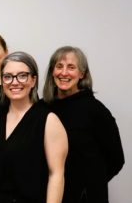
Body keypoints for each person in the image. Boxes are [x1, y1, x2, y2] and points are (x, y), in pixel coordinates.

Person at [0, 51, 68, 203]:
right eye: (8, 76)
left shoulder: (49, 121)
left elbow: (56, 175)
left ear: (33, 80)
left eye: (22, 75)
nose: (14, 82)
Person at [43, 46, 124, 203]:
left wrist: (90, 185)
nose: (64, 73)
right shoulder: (42, 108)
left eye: (71, 67)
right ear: (52, 72)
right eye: (59, 66)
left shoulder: (96, 110)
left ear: (82, 74)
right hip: (48, 195)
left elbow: (116, 159)